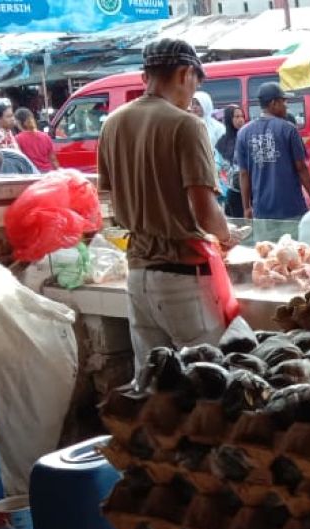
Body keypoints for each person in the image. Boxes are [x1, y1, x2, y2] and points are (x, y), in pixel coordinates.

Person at [97, 39, 242, 367]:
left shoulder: (113, 124)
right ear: (184, 73)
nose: (194, 90)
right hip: (183, 278)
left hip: (137, 275)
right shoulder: (187, 124)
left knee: (154, 384)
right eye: (196, 81)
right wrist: (227, 234)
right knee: (207, 383)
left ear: (144, 76)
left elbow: (107, 200)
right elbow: (206, 214)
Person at [236, 82, 310, 239]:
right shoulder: (288, 129)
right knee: (294, 256)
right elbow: (301, 168)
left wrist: (246, 207)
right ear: (273, 103)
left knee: (268, 258)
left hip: (262, 210)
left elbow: (243, 173)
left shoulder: (243, 133)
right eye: (284, 102)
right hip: (291, 209)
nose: (286, 107)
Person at [216, 105, 245, 218]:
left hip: (252, 190)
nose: (240, 120)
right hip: (234, 191)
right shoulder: (222, 142)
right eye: (236, 117)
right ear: (229, 119)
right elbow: (219, 165)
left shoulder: (248, 136)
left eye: (242, 116)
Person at [14, 108, 58, 172]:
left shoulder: (18, 139)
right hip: (47, 173)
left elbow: (19, 160)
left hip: (31, 175)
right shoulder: (45, 136)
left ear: (19, 122)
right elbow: (53, 160)